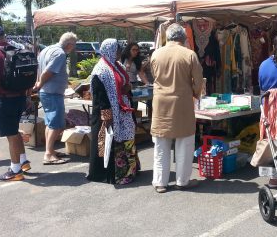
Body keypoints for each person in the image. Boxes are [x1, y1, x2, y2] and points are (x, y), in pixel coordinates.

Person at [151, 24, 203, 194]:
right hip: (182, 103)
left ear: (168, 37)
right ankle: (182, 181)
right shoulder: (189, 54)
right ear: (183, 38)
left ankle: (160, 183)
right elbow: (198, 81)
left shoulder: (156, 54)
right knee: (185, 144)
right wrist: (195, 94)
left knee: (161, 145)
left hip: (160, 104)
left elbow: (155, 76)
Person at [87, 39, 140, 185]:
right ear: (110, 50)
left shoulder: (117, 66)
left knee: (127, 136)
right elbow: (100, 96)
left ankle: (130, 170)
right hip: (109, 112)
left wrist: (127, 89)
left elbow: (124, 83)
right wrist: (107, 117)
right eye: (117, 50)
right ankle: (113, 174)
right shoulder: (101, 70)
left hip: (122, 109)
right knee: (108, 141)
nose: (119, 53)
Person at [0, 25, 32, 181]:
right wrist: (28, 97)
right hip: (20, 98)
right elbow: (29, 75)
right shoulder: (18, 50)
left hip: (5, 99)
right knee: (15, 131)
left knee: (11, 135)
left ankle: (15, 170)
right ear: (4, 36)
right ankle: (24, 161)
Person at [33, 32, 77, 165]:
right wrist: (40, 83)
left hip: (47, 92)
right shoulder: (60, 54)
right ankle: (48, 154)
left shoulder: (47, 49)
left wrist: (38, 83)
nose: (73, 48)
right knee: (56, 124)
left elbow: (40, 69)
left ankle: (50, 150)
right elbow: (48, 71)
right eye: (73, 45)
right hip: (52, 92)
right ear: (69, 44)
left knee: (50, 123)